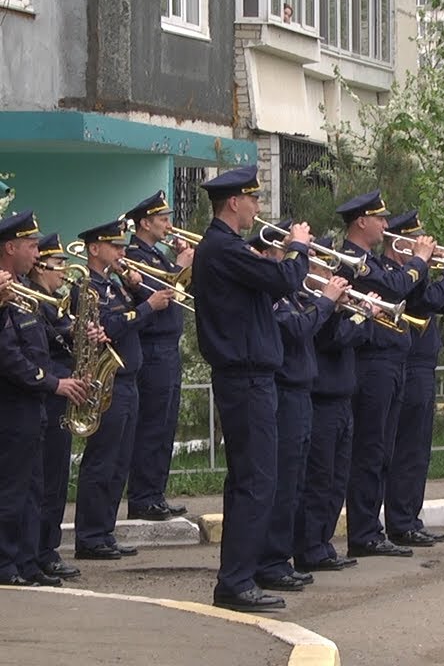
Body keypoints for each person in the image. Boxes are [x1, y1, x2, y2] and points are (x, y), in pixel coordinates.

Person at [192, 164, 311, 612]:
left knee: (253, 478)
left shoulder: (229, 250)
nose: (258, 208)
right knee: (256, 481)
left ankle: (243, 573)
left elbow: (266, 286)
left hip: (250, 377)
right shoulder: (222, 248)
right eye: (254, 199)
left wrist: (277, 260)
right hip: (245, 379)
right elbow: (284, 282)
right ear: (235, 202)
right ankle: (237, 580)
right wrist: (297, 249)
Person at [335, 191, 434, 559]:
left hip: (389, 364)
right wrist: (420, 261)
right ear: (362, 221)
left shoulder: (369, 260)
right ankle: (363, 532)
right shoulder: (353, 260)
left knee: (382, 451)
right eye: (379, 219)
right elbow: (393, 288)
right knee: (369, 451)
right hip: (371, 365)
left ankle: (371, 529)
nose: (384, 225)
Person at [250, 219, 344, 593]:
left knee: (298, 480)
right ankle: (271, 560)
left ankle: (282, 556)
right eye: (287, 252)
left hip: (302, 392)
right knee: (284, 480)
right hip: (285, 393)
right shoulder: (274, 295)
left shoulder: (293, 293)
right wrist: (326, 303)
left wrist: (331, 305)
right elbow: (298, 330)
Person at [74, 218, 174, 562]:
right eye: (114, 246)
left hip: (128, 379)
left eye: (120, 246)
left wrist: (135, 287)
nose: (121, 251)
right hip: (109, 381)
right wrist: (146, 307)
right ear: (94, 249)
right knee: (103, 460)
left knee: (119, 461)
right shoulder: (87, 287)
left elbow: (126, 315)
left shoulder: (114, 285)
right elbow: (110, 326)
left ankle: (105, 530)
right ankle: (89, 535)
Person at [0, 212, 90, 587]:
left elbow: (43, 338)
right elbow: (8, 356)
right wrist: (53, 383)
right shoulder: (5, 294)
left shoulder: (21, 290)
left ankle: (27, 560)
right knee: (11, 489)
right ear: (10, 247)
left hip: (31, 403)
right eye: (31, 245)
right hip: (12, 403)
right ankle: (5, 566)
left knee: (34, 487)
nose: (37, 254)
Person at [294, 237, 372, 573]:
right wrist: (358, 317)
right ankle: (310, 546)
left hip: (342, 398)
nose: (328, 273)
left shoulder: (328, 307)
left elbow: (357, 338)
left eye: (329, 266)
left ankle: (323, 542)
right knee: (319, 479)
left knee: (337, 478)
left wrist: (356, 314)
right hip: (321, 400)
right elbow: (333, 340)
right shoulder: (308, 304)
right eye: (320, 266)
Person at [383, 210, 444, 547]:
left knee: (419, 448)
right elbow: (430, 300)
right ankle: (401, 521)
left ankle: (410, 517)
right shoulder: (400, 274)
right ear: (399, 243)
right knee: (408, 447)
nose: (423, 246)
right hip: (411, 364)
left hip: (422, 363)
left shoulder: (414, 272)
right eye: (415, 241)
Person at [124, 190, 193, 521]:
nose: (169, 225)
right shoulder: (135, 256)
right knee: (152, 423)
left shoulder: (160, 256)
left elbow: (182, 292)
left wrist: (181, 264)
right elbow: (159, 294)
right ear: (145, 222)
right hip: (152, 347)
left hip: (167, 347)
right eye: (163, 220)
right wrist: (180, 266)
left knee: (165, 424)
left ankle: (155, 492)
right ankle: (143, 496)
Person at [28, 233, 81, 580]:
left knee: (57, 477)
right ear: (40, 266)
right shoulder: (39, 304)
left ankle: (48, 547)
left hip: (61, 393)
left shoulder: (53, 302)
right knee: (44, 480)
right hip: (48, 393)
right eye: (58, 264)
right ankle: (40, 551)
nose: (63, 272)